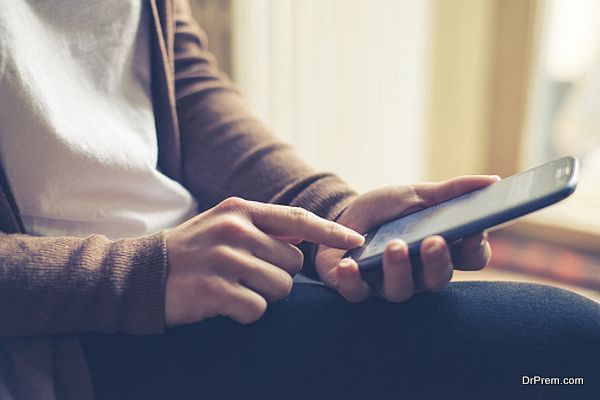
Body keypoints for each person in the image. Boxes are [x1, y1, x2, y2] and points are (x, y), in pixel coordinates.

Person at [0, 1, 597, 399]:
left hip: (197, 268)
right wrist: (134, 276)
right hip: (62, 332)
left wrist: (326, 210)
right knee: (565, 349)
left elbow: (177, 77)